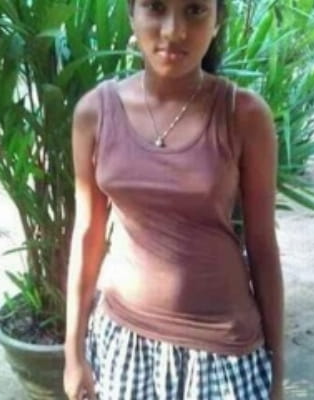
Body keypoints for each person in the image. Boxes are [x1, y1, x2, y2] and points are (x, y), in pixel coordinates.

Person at [63, 0, 284, 399]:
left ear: (217, 21)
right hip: (125, 343)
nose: (173, 31)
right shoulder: (95, 112)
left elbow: (263, 247)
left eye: (195, 10)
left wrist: (278, 370)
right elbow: (87, 236)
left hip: (222, 353)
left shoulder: (244, 114)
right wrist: (73, 354)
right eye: (156, 7)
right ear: (132, 14)